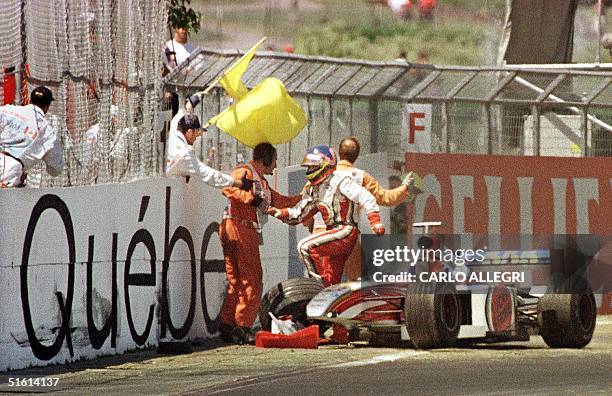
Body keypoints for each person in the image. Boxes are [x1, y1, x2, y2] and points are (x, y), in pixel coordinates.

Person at [268, 145, 386, 287]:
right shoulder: (314, 189)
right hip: (334, 233)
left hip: (346, 230)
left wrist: (375, 222)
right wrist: (280, 213)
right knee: (331, 282)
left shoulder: (341, 180)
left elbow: (366, 197)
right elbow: (299, 214)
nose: (309, 171)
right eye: (308, 167)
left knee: (305, 247)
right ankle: (325, 296)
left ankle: (315, 287)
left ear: (326, 165)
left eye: (313, 167)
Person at [218, 142, 301, 344]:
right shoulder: (245, 171)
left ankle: (227, 324)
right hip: (241, 228)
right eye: (274, 161)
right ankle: (242, 326)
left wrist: (301, 197)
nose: (275, 166)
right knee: (253, 278)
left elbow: (278, 200)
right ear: (266, 159)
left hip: (237, 228)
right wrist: (251, 199)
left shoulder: (261, 181)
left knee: (236, 280)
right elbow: (228, 188)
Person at [328, 137, 422, 281]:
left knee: (324, 279)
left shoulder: (322, 173)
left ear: (339, 152)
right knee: (355, 280)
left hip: (320, 235)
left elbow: (306, 198)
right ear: (356, 156)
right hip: (345, 235)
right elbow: (386, 198)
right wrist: (405, 186)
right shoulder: (360, 177)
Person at [165, 112, 251, 190]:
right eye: (196, 133)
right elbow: (208, 175)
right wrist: (237, 183)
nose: (197, 137)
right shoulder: (184, 154)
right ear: (189, 132)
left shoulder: (172, 136)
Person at [0, 86, 64, 188]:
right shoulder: (47, 131)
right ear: (47, 106)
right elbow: (56, 169)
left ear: (30, 100)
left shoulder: (7, 110)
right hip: (9, 168)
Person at [162, 24, 196, 116]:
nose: (183, 30)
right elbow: (163, 68)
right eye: (181, 27)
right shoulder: (167, 47)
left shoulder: (192, 49)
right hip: (171, 91)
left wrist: (187, 71)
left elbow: (196, 68)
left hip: (187, 91)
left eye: (185, 28)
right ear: (175, 29)